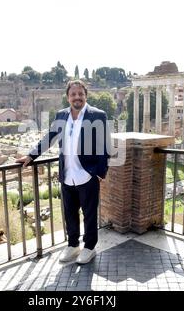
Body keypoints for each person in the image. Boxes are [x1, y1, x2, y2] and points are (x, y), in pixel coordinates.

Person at [16, 80, 111, 264]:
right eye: (73, 94)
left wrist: (100, 173)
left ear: (86, 95)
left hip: (87, 174)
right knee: (70, 214)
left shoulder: (97, 115)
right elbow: (49, 138)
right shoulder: (61, 115)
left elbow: (105, 145)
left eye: (80, 94)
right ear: (68, 97)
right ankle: (73, 245)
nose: (77, 97)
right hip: (67, 175)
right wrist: (30, 156)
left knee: (89, 214)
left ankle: (89, 248)